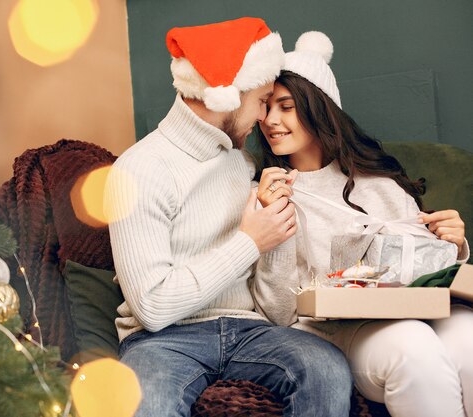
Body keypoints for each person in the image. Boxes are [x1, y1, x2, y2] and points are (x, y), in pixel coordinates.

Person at [105, 17, 353, 417]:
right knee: (145, 399)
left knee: (325, 367)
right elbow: (151, 307)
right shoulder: (139, 170)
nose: (263, 117)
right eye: (261, 100)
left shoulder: (244, 163)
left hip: (251, 331)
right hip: (162, 340)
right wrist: (250, 242)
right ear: (228, 96)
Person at [254, 31, 472, 417]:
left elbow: (424, 271)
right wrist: (275, 221)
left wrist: (452, 244)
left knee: (469, 340)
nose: (271, 121)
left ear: (319, 109)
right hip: (332, 333)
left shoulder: (379, 184)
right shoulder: (266, 192)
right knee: (413, 348)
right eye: (266, 107)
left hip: (415, 310)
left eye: (286, 107)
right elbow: (278, 312)